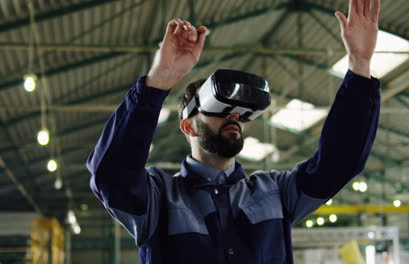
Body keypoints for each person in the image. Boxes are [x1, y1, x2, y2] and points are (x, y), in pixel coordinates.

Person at [87, 0, 381, 263]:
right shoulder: (159, 198)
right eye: (218, 106)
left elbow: (338, 163)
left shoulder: (275, 192)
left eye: (240, 112)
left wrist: (360, 65)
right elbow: (111, 176)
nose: (234, 117)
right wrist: (159, 79)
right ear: (188, 126)